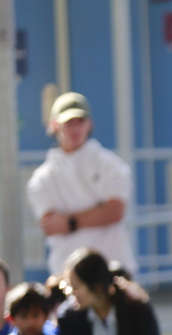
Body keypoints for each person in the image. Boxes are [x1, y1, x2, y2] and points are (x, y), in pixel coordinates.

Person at [26, 93, 136, 278]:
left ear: (89, 124)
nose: (75, 128)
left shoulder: (111, 164)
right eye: (69, 122)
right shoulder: (41, 177)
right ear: (54, 125)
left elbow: (115, 211)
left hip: (113, 269)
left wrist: (70, 222)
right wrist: (98, 211)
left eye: (80, 121)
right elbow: (51, 225)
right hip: (67, 275)